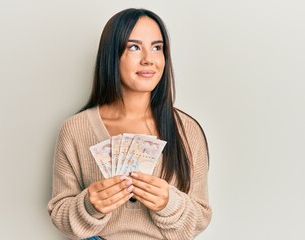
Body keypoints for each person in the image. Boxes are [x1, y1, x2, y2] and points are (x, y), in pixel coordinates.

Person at [47, 8, 212, 240]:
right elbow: (60, 213)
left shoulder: (188, 130)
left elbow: (200, 217)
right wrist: (89, 205)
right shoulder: (75, 130)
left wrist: (169, 203)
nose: (148, 59)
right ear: (112, 55)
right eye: (134, 47)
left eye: (157, 47)